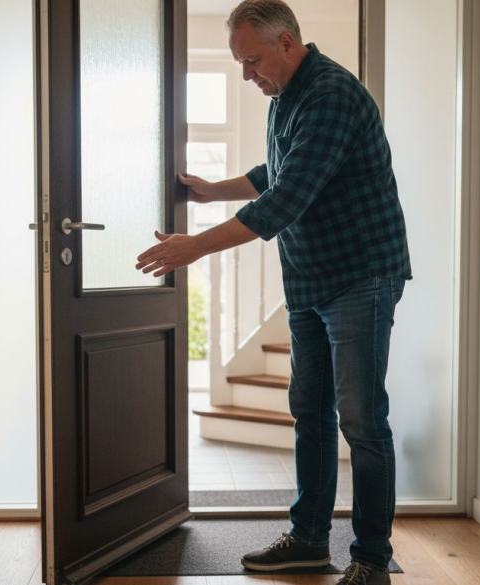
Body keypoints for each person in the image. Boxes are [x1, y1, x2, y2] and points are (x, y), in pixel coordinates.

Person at [135, 1, 411, 583]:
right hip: (310, 279)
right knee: (309, 412)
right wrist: (212, 190)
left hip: (361, 275)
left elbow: (284, 200)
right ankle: (309, 539)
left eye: (252, 61)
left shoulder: (332, 94)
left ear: (287, 43)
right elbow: (275, 172)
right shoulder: (285, 94)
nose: (246, 74)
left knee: (362, 421)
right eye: (240, 62)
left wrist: (195, 246)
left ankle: (371, 560)